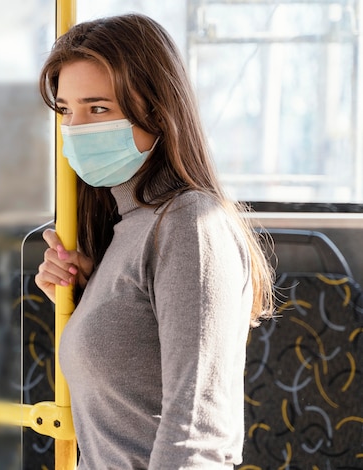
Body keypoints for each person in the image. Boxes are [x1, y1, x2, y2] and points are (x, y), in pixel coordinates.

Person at [34, 13, 274, 469]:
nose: (77, 128)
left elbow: (198, 434)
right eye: (67, 110)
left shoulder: (191, 225)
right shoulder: (128, 225)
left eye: (98, 108)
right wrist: (89, 297)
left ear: (157, 109)